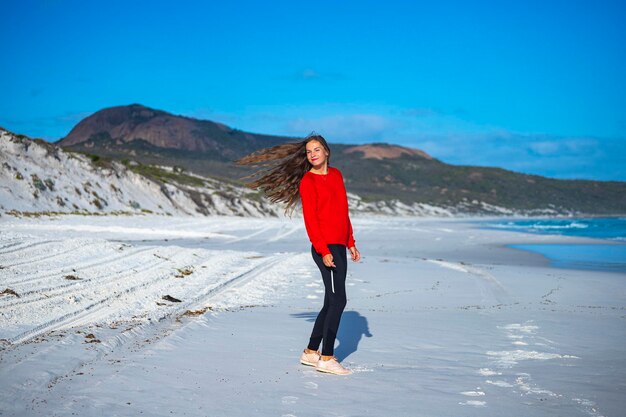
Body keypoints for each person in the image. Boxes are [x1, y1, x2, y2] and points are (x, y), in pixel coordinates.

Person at [236, 133, 361, 375]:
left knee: (331, 300)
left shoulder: (336, 175)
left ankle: (311, 352)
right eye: (308, 151)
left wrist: (350, 241)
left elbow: (342, 210)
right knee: (339, 299)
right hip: (324, 247)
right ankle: (326, 357)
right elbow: (311, 221)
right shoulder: (308, 181)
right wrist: (323, 250)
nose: (312, 154)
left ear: (326, 151)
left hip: (339, 245)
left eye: (316, 149)